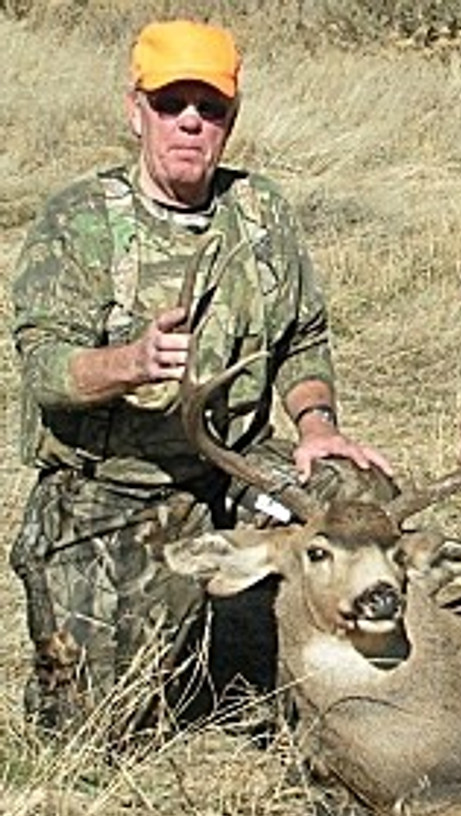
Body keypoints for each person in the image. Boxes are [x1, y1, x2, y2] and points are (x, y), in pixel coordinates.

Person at [9, 19, 391, 740]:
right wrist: (131, 363)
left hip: (240, 467)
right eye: (170, 103)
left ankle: (350, 693)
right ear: (136, 112)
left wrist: (316, 426)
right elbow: (44, 368)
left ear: (229, 121)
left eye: (208, 107)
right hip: (116, 485)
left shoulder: (261, 212)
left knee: (358, 496)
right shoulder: (78, 221)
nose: (190, 121)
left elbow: (304, 339)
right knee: (97, 725)